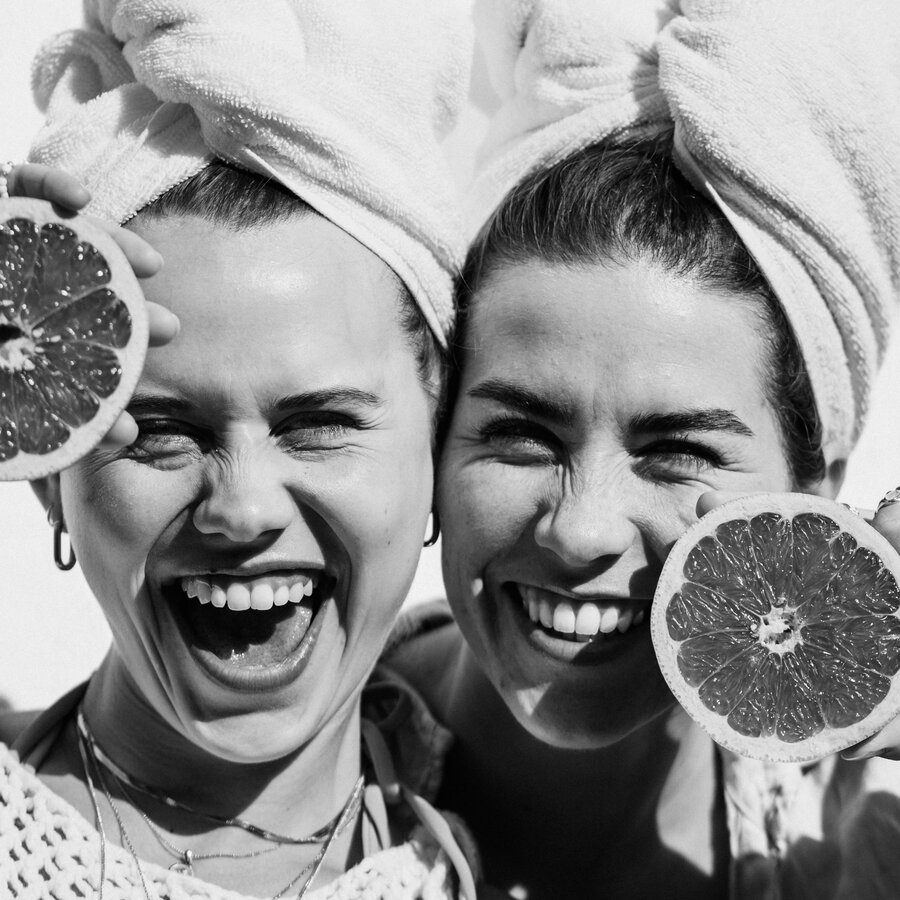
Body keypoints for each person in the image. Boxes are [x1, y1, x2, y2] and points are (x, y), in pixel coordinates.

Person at [385, 1, 900, 897]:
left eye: (676, 453)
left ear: (813, 496)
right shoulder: (260, 779)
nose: (580, 531)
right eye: (519, 434)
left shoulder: (858, 849)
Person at [0, 1, 479, 897]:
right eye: (166, 433)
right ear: (49, 477)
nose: (245, 508)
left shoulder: (509, 828)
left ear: (437, 446)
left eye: (320, 424)